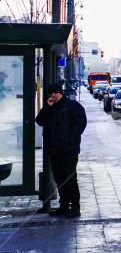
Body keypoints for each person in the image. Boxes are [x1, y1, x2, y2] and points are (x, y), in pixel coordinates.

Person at [35, 82, 87, 218]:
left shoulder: (72, 106)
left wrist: (72, 137)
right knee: (59, 179)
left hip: (69, 149)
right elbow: (39, 121)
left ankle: (75, 207)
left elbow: (81, 122)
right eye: (51, 93)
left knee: (70, 179)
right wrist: (47, 107)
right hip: (55, 150)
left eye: (56, 93)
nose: (53, 95)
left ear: (61, 93)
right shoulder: (50, 107)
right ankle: (64, 206)